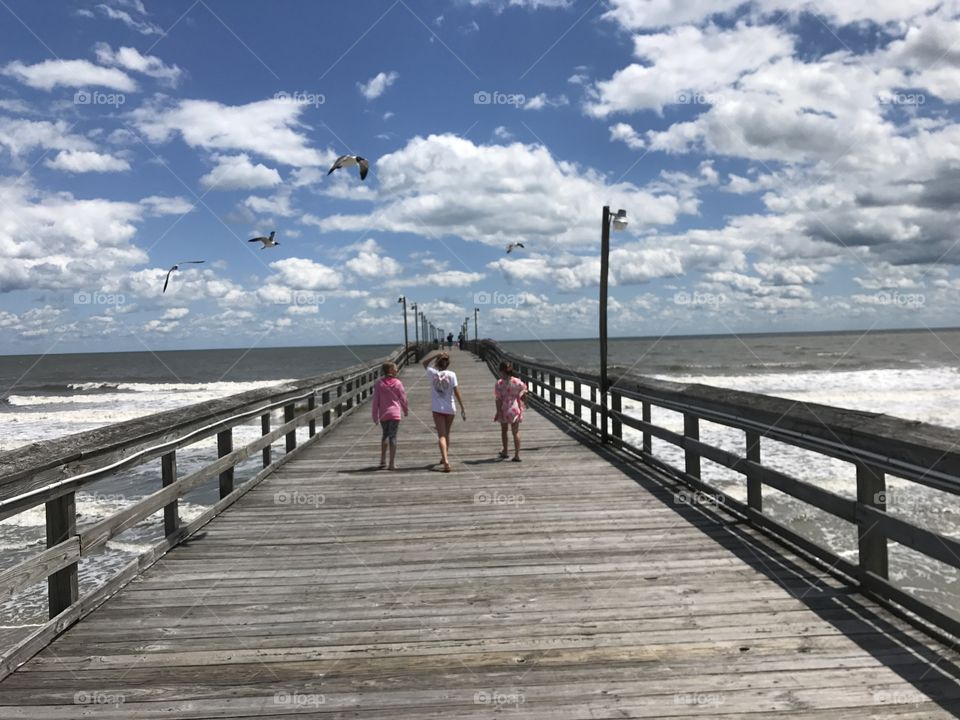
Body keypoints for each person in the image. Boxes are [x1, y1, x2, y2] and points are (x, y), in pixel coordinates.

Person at [421, 350, 466, 472]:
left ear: (437, 363)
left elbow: (424, 363)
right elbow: (456, 392)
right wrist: (462, 407)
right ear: (448, 364)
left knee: (441, 435)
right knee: (447, 433)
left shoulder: (432, 373)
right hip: (450, 408)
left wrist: (436, 354)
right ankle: (444, 456)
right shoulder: (452, 374)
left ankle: (445, 460)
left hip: (437, 408)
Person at [371, 361, 408, 470]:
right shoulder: (398, 383)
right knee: (393, 437)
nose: (397, 370)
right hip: (395, 414)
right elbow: (403, 398)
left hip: (383, 414)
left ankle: (383, 460)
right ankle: (392, 463)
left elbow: (375, 401)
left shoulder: (379, 383)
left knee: (385, 435)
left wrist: (375, 415)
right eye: (395, 368)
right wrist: (405, 410)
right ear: (391, 370)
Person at [494, 360, 528, 462]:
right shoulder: (517, 381)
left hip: (504, 408)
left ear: (502, 371)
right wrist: (525, 403)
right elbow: (524, 392)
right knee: (515, 432)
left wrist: (498, 411)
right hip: (515, 408)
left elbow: (498, 399)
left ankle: (505, 451)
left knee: (504, 430)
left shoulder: (499, 383)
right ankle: (517, 455)